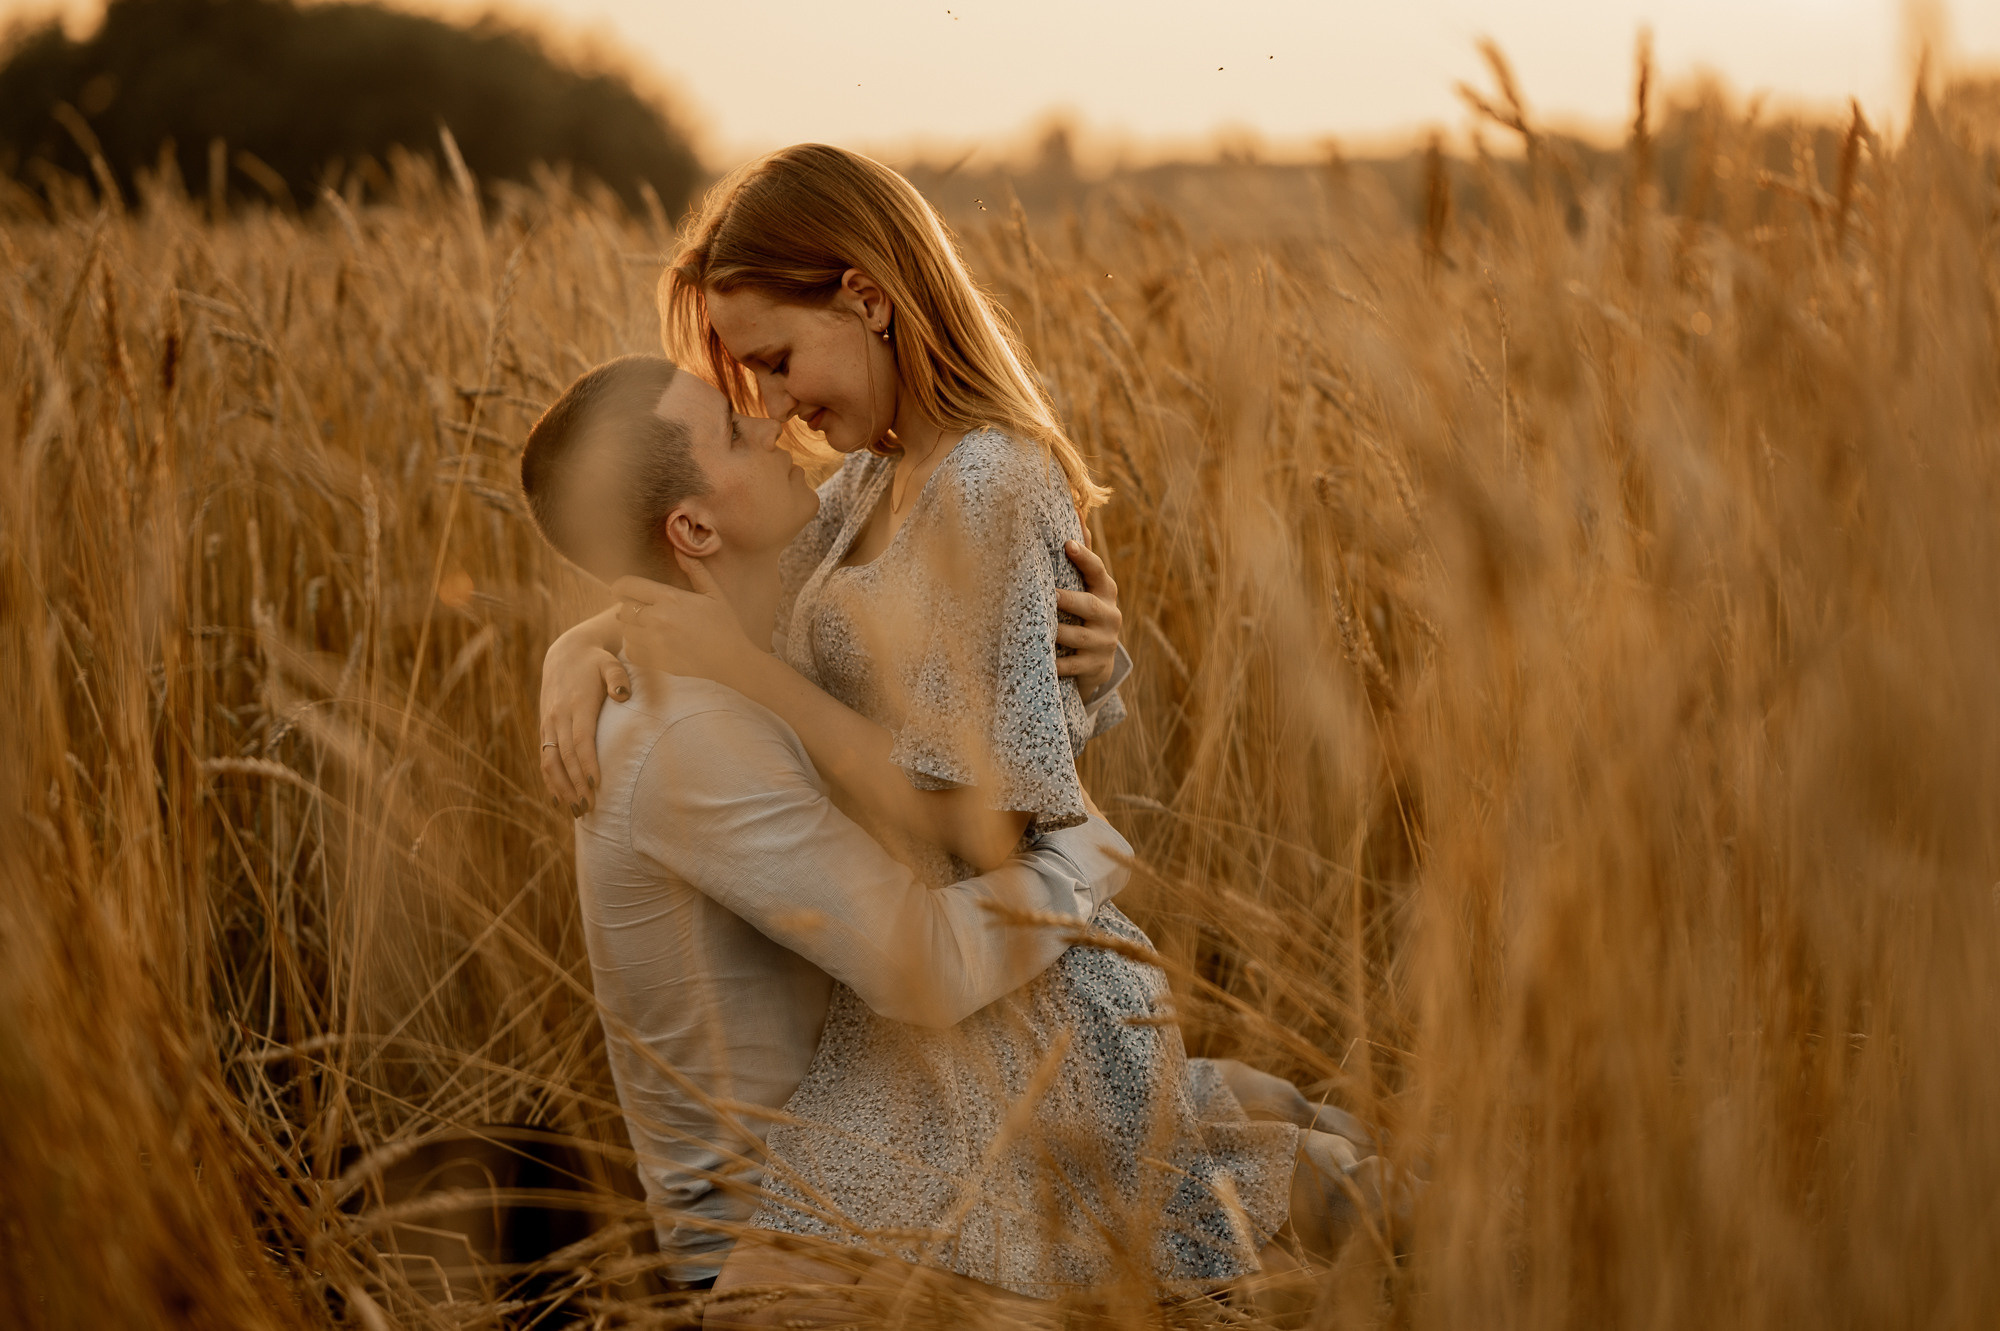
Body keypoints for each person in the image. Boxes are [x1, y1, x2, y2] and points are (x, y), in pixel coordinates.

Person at [539, 145, 1389, 1314]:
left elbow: (979, 808)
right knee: (1184, 1199)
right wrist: (580, 642)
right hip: (932, 1012)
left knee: (1177, 1244)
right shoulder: (859, 490)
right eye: (746, 397)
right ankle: (1336, 1184)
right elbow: (728, 593)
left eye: (775, 365)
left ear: (867, 296)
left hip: (1003, 987)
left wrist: (758, 677)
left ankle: (1388, 1211)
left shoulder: (988, 479)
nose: (775, 413)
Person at [519, 353, 1138, 1292]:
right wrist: (1085, 849)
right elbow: (928, 964)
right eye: (735, 432)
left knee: (1238, 1123)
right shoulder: (689, 739)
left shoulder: (747, 648)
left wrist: (1080, 652)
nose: (773, 425)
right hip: (793, 1239)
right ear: (693, 527)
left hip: (896, 1148)